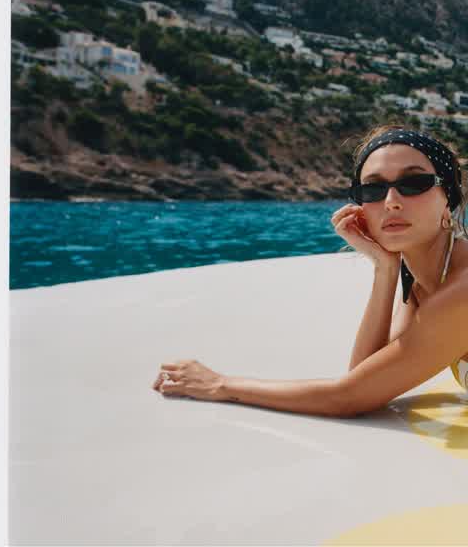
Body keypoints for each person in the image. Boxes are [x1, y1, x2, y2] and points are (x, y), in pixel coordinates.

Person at [152, 125, 468, 418]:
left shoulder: (460, 290)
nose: (391, 202)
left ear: (448, 197)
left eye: (414, 183)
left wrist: (220, 384)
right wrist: (385, 270)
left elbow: (349, 397)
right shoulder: (425, 282)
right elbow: (367, 377)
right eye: (373, 189)